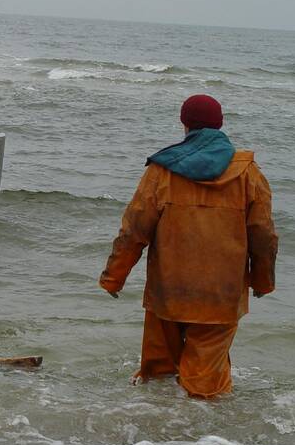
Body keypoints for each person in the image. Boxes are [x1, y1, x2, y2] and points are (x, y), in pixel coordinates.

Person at [98, 95, 278, 398]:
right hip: (221, 297)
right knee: (205, 386)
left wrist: (114, 277)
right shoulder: (248, 174)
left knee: (158, 377)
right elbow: (263, 235)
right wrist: (263, 280)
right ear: (220, 124)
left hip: (167, 292)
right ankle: (204, 442)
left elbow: (134, 229)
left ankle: (149, 437)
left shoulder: (162, 170)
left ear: (185, 124)